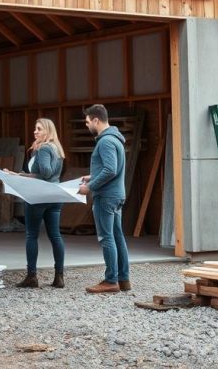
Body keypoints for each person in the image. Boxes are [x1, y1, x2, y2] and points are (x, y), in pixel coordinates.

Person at [4, 118, 66, 289]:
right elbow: (52, 176)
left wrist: (20, 176)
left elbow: (45, 173)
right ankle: (59, 276)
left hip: (38, 196)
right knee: (55, 236)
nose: (35, 132)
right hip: (55, 196)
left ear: (47, 131)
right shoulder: (57, 149)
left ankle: (32, 277)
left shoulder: (44, 148)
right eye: (35, 128)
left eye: (39, 129)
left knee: (32, 235)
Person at [79, 104, 130, 294]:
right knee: (117, 236)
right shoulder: (115, 139)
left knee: (106, 237)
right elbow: (111, 168)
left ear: (96, 120)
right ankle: (123, 279)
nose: (87, 126)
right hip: (116, 195)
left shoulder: (105, 141)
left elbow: (110, 169)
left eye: (87, 122)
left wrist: (90, 187)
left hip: (106, 197)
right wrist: (91, 176)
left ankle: (111, 281)